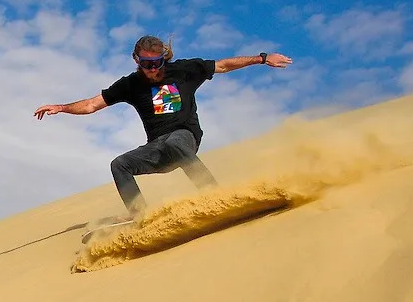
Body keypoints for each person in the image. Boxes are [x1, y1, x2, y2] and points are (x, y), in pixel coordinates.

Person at [34, 36, 293, 221]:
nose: (153, 69)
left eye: (157, 63)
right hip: (157, 148)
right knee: (119, 164)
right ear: (136, 60)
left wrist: (261, 58)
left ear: (163, 58)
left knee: (174, 141)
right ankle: (141, 218)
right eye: (146, 64)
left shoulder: (184, 70)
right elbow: (92, 105)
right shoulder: (130, 85)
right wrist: (61, 107)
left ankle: (215, 196)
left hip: (185, 138)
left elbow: (223, 65)